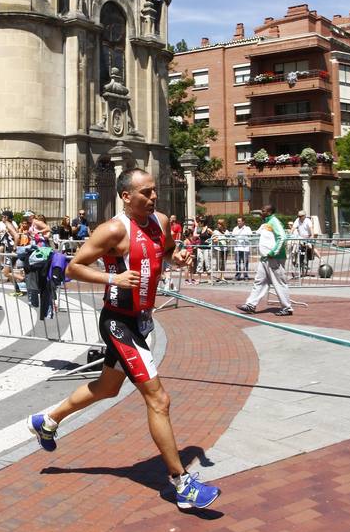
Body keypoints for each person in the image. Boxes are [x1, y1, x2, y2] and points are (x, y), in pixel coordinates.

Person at [26, 167, 221, 511]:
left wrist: (177, 257)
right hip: (118, 323)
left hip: (142, 322)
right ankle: (181, 484)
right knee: (159, 399)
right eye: (144, 192)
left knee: (107, 388)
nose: (153, 197)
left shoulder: (159, 221)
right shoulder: (113, 230)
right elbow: (74, 267)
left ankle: (47, 421)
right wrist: (112, 279)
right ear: (126, 197)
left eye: (154, 190)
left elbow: (168, 250)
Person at [240, 204, 293, 316]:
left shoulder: (274, 221)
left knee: (279, 282)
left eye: (263, 211)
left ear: (269, 212)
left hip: (274, 258)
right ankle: (251, 304)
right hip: (265, 258)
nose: (261, 212)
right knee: (260, 281)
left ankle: (287, 307)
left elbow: (282, 237)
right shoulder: (266, 224)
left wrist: (273, 252)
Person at [232, 216, 252, 280]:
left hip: (245, 248)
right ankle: (237, 276)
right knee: (237, 262)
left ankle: (246, 276)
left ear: (243, 222)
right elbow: (233, 236)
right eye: (237, 221)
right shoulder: (235, 228)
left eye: (239, 221)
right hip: (237, 248)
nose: (238, 222)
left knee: (245, 262)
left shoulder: (247, 228)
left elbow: (250, 235)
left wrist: (244, 238)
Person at [194, 216, 212, 282]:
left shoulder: (208, 229)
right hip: (200, 248)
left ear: (204, 222)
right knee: (199, 262)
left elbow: (214, 236)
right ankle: (199, 279)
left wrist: (210, 240)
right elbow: (194, 235)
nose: (200, 223)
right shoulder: (200, 229)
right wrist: (196, 227)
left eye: (201, 222)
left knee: (207, 262)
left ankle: (209, 279)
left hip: (207, 248)